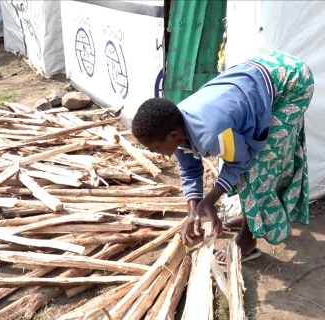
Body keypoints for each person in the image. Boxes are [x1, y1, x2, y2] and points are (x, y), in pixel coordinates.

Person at [131, 51, 314, 263]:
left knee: (258, 167)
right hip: (257, 76)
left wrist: (211, 199)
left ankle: (248, 239)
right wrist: (194, 211)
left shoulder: (211, 134)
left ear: (172, 135)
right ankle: (250, 217)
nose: (153, 152)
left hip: (292, 82)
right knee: (247, 155)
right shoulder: (176, 126)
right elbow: (190, 170)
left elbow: (242, 161)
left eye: (154, 147)